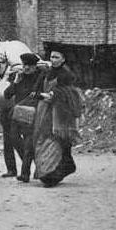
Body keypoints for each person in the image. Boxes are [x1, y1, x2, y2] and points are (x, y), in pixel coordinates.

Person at [32, 49, 81, 187]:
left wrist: (54, 95)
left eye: (56, 57)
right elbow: (36, 89)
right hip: (44, 110)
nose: (53, 59)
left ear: (63, 59)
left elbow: (70, 94)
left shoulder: (66, 75)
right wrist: (39, 95)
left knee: (55, 140)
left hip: (59, 113)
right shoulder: (46, 73)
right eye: (51, 56)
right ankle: (46, 171)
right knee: (41, 138)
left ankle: (51, 174)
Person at [3, 52, 44, 182]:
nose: (26, 68)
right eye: (25, 65)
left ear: (35, 67)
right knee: (14, 139)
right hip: (17, 114)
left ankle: (25, 173)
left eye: (30, 66)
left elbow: (43, 94)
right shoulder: (19, 77)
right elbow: (7, 95)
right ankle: (32, 163)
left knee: (28, 144)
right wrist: (15, 82)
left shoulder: (40, 78)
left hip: (32, 114)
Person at [0, 52, 20, 178]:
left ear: (5, 64)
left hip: (14, 109)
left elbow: (13, 91)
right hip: (4, 110)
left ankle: (27, 167)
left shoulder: (13, 75)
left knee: (16, 138)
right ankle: (11, 169)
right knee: (7, 140)